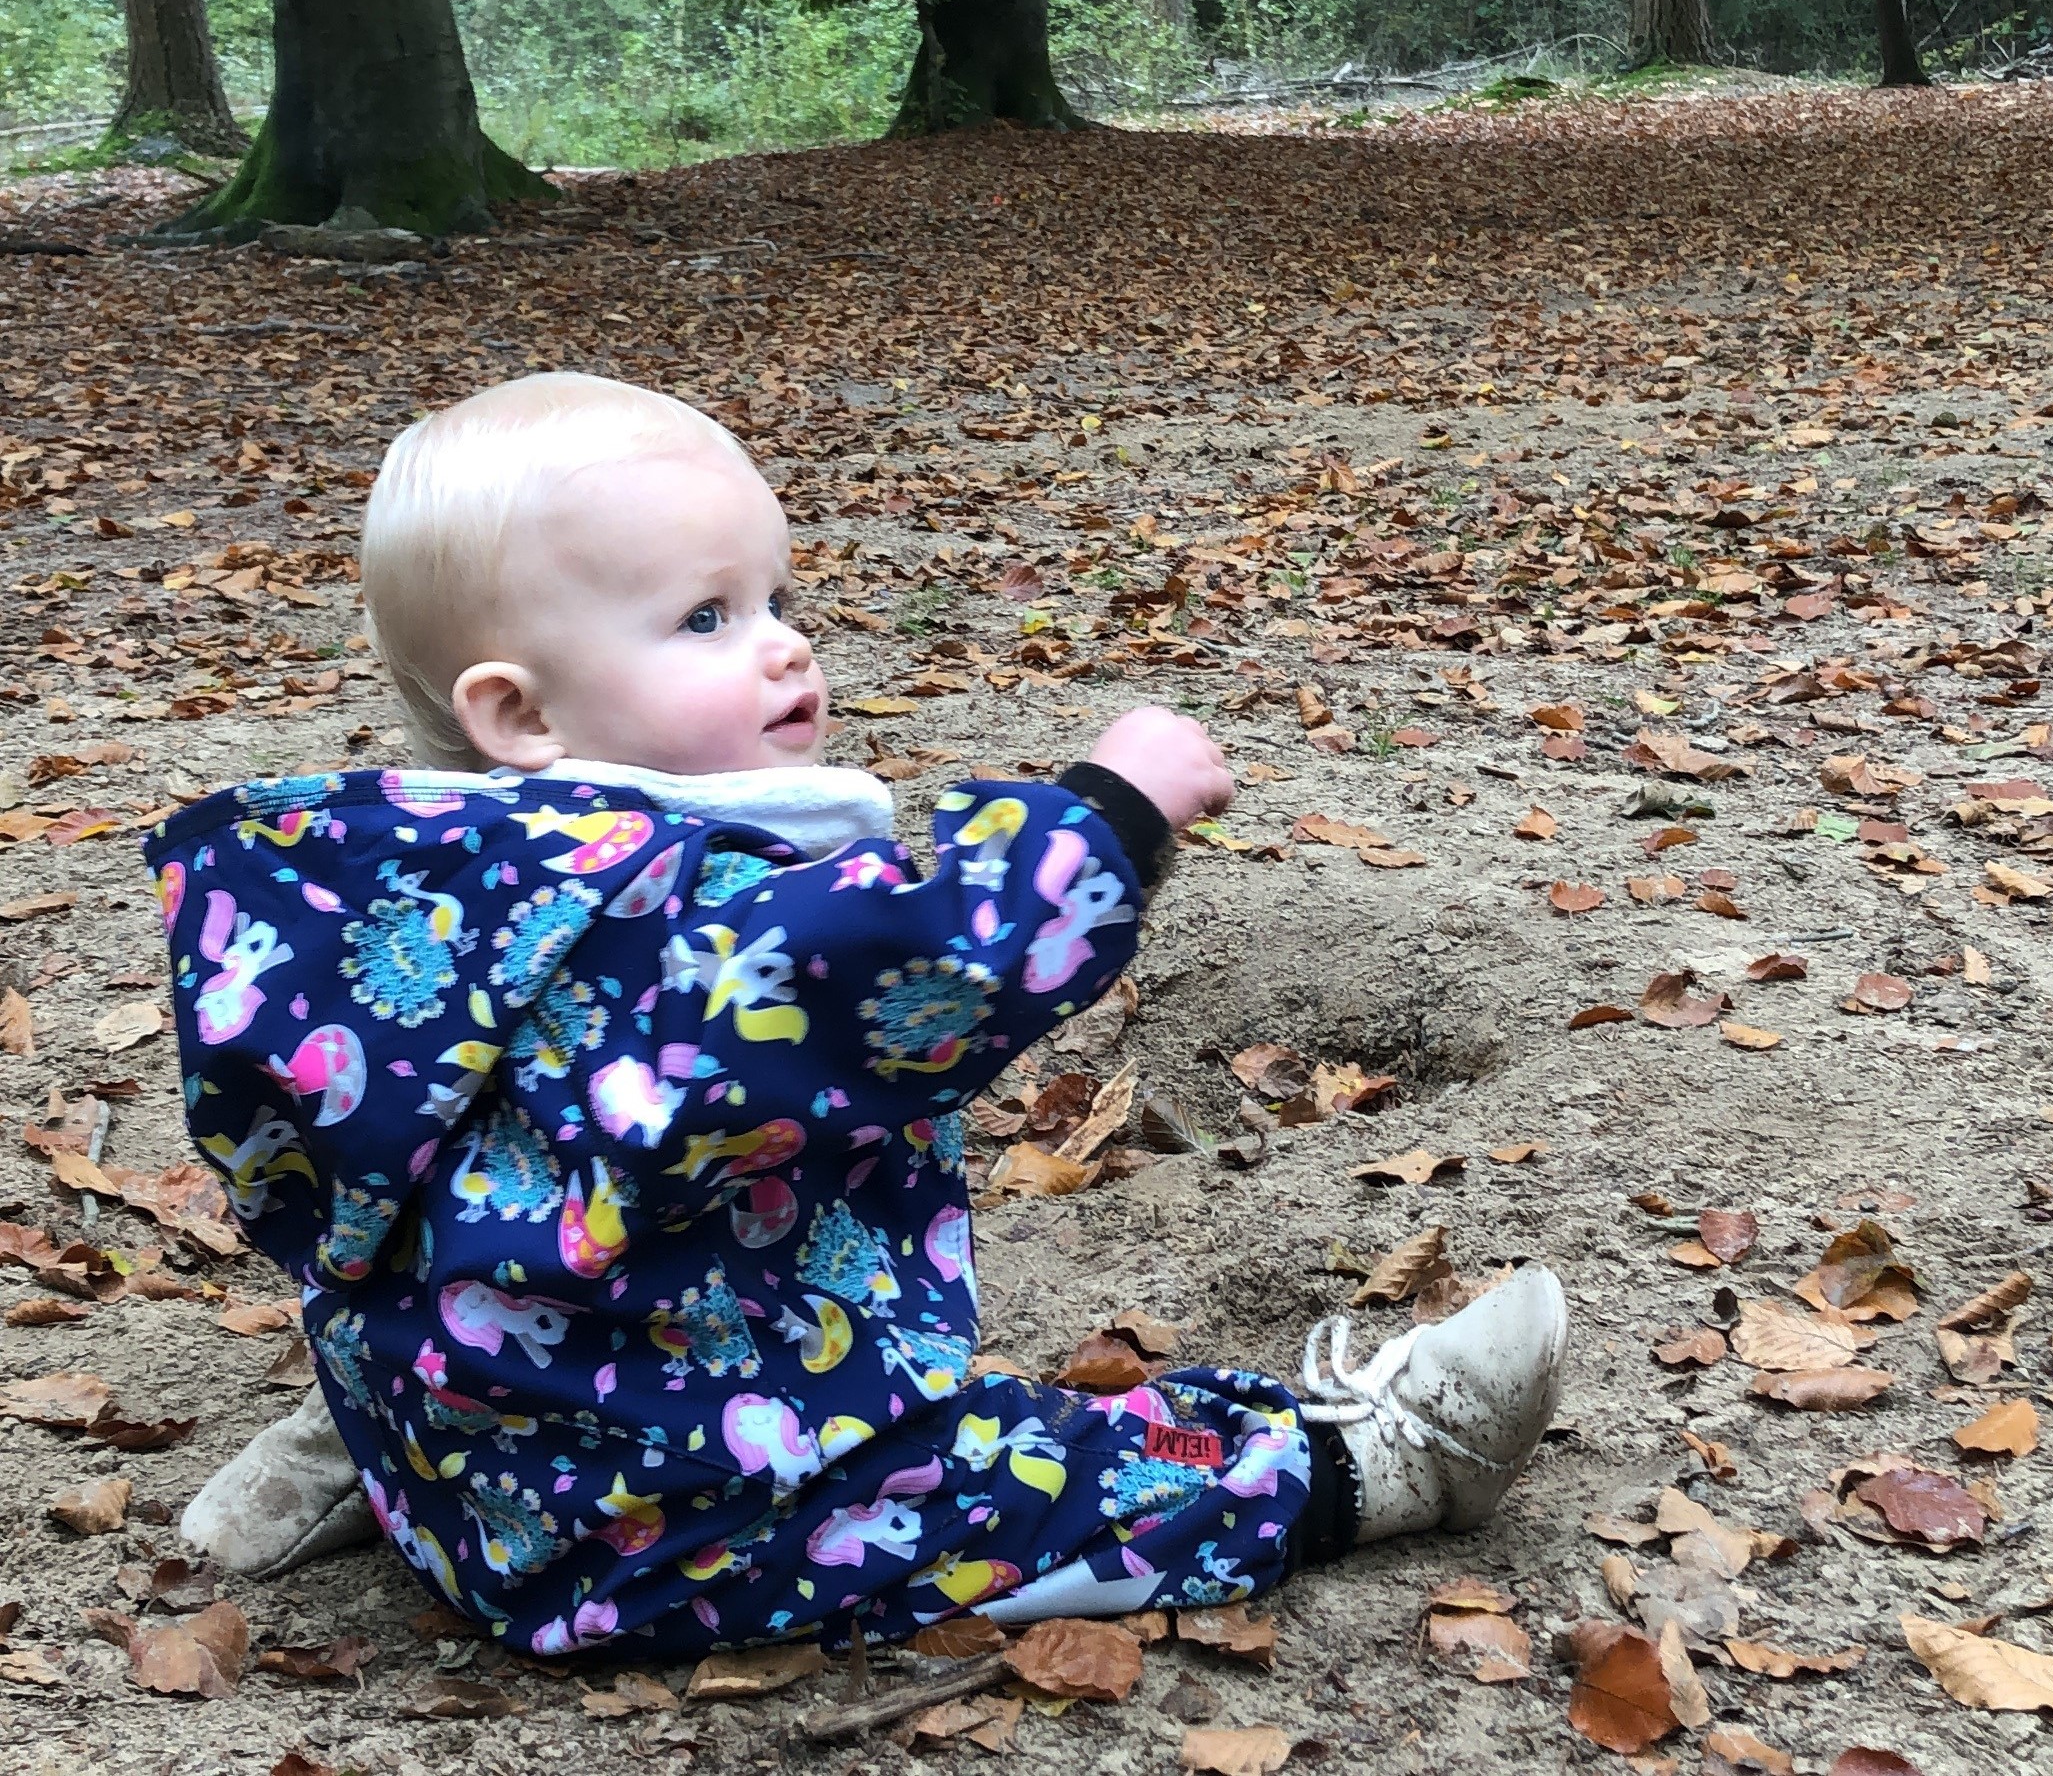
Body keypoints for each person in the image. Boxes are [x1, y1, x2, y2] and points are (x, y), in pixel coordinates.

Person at [150, 372, 1566, 1656]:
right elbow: (898, 975)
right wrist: (1106, 816)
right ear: (520, 715)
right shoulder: (654, 930)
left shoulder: (405, 904)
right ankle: (1369, 1461)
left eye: (775, 597)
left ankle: (380, 1442)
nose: (785, 648)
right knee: (1019, 1480)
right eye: (706, 618)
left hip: (493, 1442)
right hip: (672, 1522)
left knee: (441, 1213)